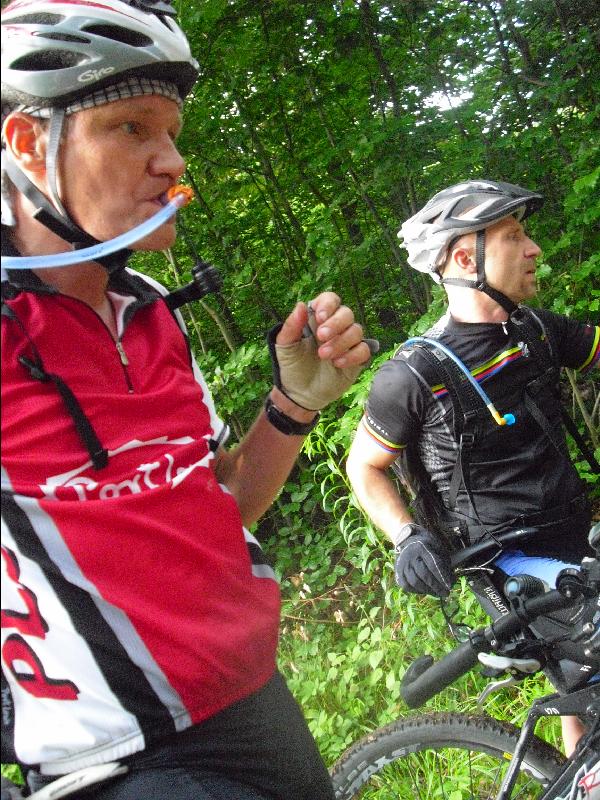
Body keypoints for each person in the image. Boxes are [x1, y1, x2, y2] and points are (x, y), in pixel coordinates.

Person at [0, 1, 373, 797]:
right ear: (29, 144)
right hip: (125, 760)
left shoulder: (148, 311)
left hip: (259, 705)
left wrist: (292, 405)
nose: (170, 160)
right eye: (131, 128)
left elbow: (224, 502)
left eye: (171, 131)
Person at [346, 180, 599, 755]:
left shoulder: (535, 330)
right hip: (506, 561)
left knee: (584, 687)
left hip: (571, 531)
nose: (533, 249)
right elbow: (363, 466)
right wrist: (406, 536)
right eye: (514, 236)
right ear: (466, 259)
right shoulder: (415, 374)